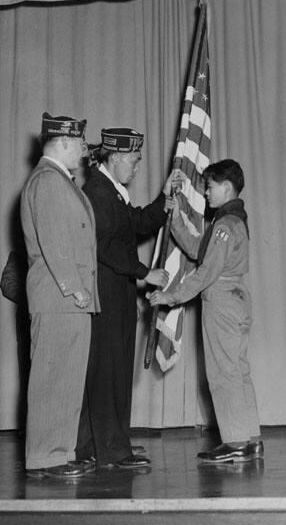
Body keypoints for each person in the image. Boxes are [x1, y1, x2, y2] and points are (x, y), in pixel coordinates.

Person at [148, 159, 262, 464]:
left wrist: (170, 297)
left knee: (224, 373)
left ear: (226, 187)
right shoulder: (232, 221)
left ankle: (235, 441)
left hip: (222, 302)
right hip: (235, 299)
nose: (207, 193)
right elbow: (200, 249)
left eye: (210, 187)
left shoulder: (225, 226)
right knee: (238, 371)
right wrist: (173, 221)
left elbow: (205, 272)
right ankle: (249, 438)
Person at [75, 128, 175, 469]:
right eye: (133, 161)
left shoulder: (111, 192)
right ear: (115, 158)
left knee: (110, 371)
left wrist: (163, 199)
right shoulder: (97, 192)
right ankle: (113, 451)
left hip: (115, 296)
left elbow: (136, 223)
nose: (136, 168)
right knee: (108, 373)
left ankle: (96, 446)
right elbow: (104, 244)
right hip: (105, 297)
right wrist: (143, 272)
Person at [20, 112, 100, 479]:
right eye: (81, 144)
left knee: (66, 379)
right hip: (59, 298)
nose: (84, 152)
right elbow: (55, 244)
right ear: (64, 142)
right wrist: (75, 289)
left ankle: (60, 452)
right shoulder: (49, 182)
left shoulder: (57, 180)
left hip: (67, 301)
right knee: (52, 379)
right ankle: (45, 457)